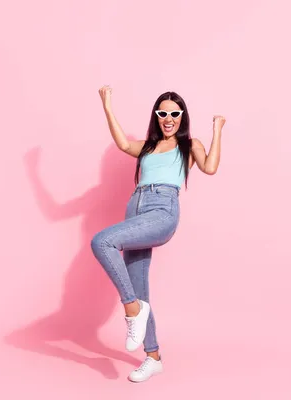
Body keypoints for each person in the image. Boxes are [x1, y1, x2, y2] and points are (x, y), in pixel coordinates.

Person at [91, 85, 225, 382]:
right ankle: (153, 357)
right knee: (141, 288)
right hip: (135, 208)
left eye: (174, 113)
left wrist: (217, 129)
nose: (168, 118)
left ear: (182, 116)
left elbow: (211, 167)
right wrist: (108, 106)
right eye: (162, 112)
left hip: (162, 210)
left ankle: (131, 310)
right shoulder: (149, 147)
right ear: (156, 115)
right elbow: (125, 145)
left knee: (102, 241)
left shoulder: (191, 146)